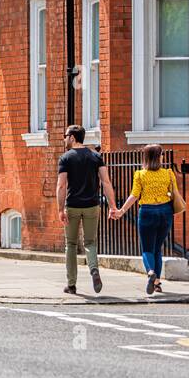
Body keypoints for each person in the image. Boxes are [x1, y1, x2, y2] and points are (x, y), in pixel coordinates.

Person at [56, 124, 116, 295]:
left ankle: (71, 284)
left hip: (73, 206)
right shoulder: (96, 157)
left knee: (71, 244)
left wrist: (60, 209)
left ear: (73, 137)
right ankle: (94, 270)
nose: (64, 139)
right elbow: (106, 182)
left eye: (65, 135)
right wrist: (112, 206)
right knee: (90, 242)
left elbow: (61, 185)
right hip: (92, 205)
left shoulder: (66, 158)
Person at [111, 144, 178, 295]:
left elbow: (134, 195)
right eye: (161, 155)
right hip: (165, 212)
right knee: (157, 248)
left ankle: (150, 273)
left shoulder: (140, 174)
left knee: (147, 248)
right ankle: (157, 283)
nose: (163, 157)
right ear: (157, 157)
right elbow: (174, 194)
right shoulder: (168, 173)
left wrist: (121, 211)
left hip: (147, 212)